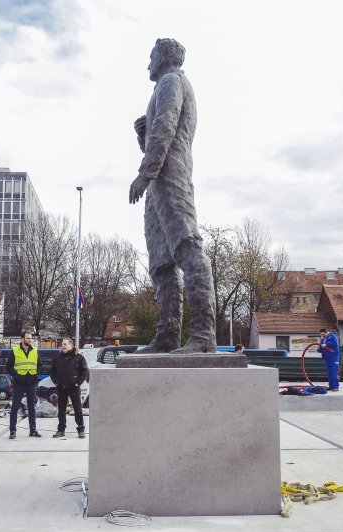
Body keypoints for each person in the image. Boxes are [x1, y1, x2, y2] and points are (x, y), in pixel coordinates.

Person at [129, 38, 217, 354]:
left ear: (164, 57)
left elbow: (166, 128)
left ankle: (204, 335)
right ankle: (167, 336)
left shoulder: (172, 81)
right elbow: (158, 134)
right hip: (157, 182)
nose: (147, 63)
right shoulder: (162, 86)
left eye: (150, 56)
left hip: (170, 176)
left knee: (186, 246)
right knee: (162, 264)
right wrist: (143, 136)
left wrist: (144, 172)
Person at [50, 338, 89, 438]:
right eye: (62, 344)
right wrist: (56, 383)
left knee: (78, 409)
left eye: (65, 344)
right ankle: (61, 430)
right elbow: (52, 373)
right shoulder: (58, 358)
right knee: (61, 410)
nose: (63, 346)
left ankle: (81, 430)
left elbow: (85, 372)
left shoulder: (79, 357)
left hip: (74, 388)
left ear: (71, 345)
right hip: (61, 388)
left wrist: (78, 383)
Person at [6, 330, 42, 439]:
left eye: (31, 338)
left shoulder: (35, 350)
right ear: (22, 339)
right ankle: (12, 431)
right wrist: (16, 375)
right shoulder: (15, 350)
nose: (30, 340)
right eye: (28, 338)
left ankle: (33, 430)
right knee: (15, 407)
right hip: (19, 383)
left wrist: (36, 375)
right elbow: (9, 366)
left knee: (32, 407)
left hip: (31, 383)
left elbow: (39, 365)